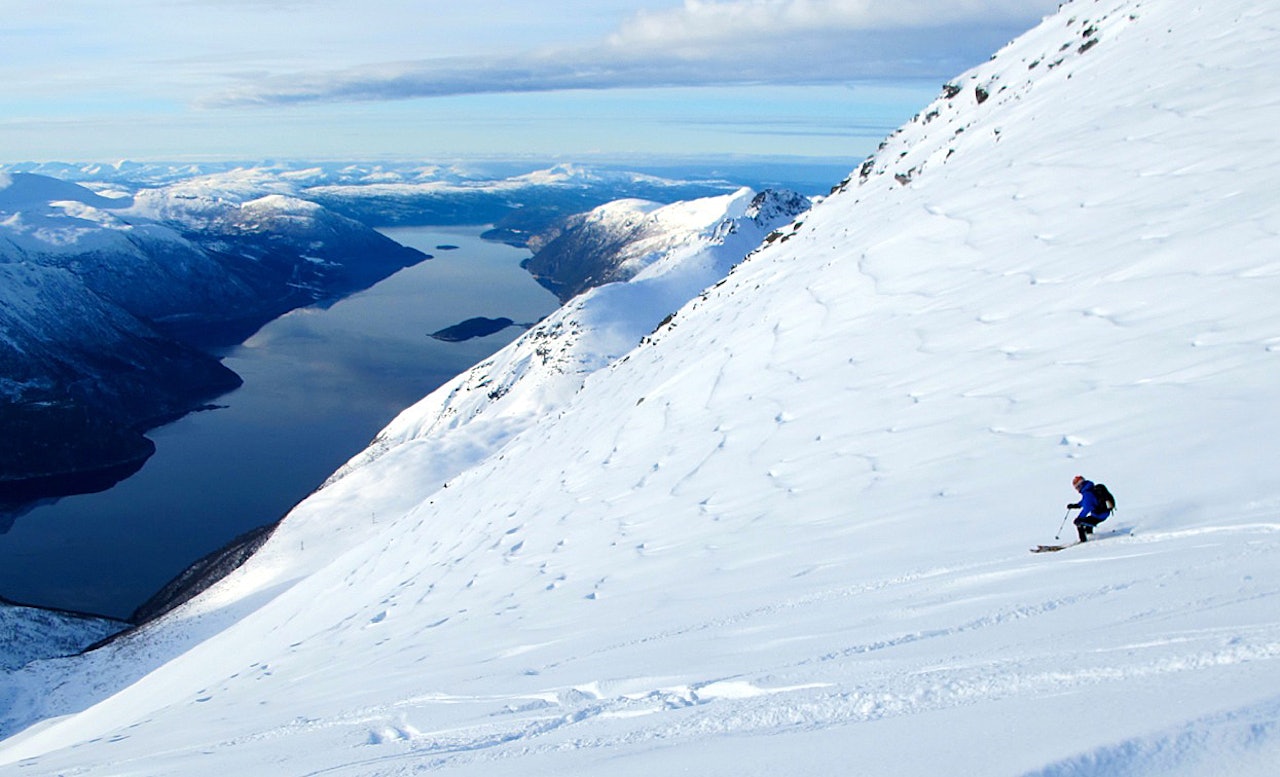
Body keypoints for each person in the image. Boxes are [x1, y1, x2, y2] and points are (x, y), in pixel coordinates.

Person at [1068, 475, 1111, 542]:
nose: (1077, 490)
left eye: (1077, 487)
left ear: (1080, 485)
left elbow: (1087, 507)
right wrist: (1076, 505)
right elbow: (1085, 502)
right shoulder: (1089, 489)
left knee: (1079, 523)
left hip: (1099, 515)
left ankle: (1083, 540)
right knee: (1087, 522)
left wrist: (1079, 518)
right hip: (1102, 512)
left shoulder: (1087, 493)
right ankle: (1090, 535)